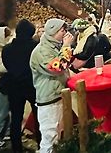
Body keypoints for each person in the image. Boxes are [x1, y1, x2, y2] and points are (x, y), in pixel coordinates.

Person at [30, 19, 74, 153]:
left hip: (58, 95)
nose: (65, 34)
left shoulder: (52, 46)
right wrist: (66, 46)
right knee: (50, 138)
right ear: (53, 32)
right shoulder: (42, 51)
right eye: (62, 31)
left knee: (58, 135)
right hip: (49, 100)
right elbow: (58, 67)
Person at [2, 19, 39, 153]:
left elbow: (7, 65)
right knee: (37, 117)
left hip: (14, 87)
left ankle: (16, 148)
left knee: (16, 119)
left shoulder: (6, 49)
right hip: (31, 85)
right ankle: (41, 144)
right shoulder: (35, 46)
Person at [0, 26, 12, 149]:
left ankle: (4, 133)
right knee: (1, 112)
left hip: (6, 85)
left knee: (6, 111)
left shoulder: (4, 49)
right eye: (6, 36)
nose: (8, 38)